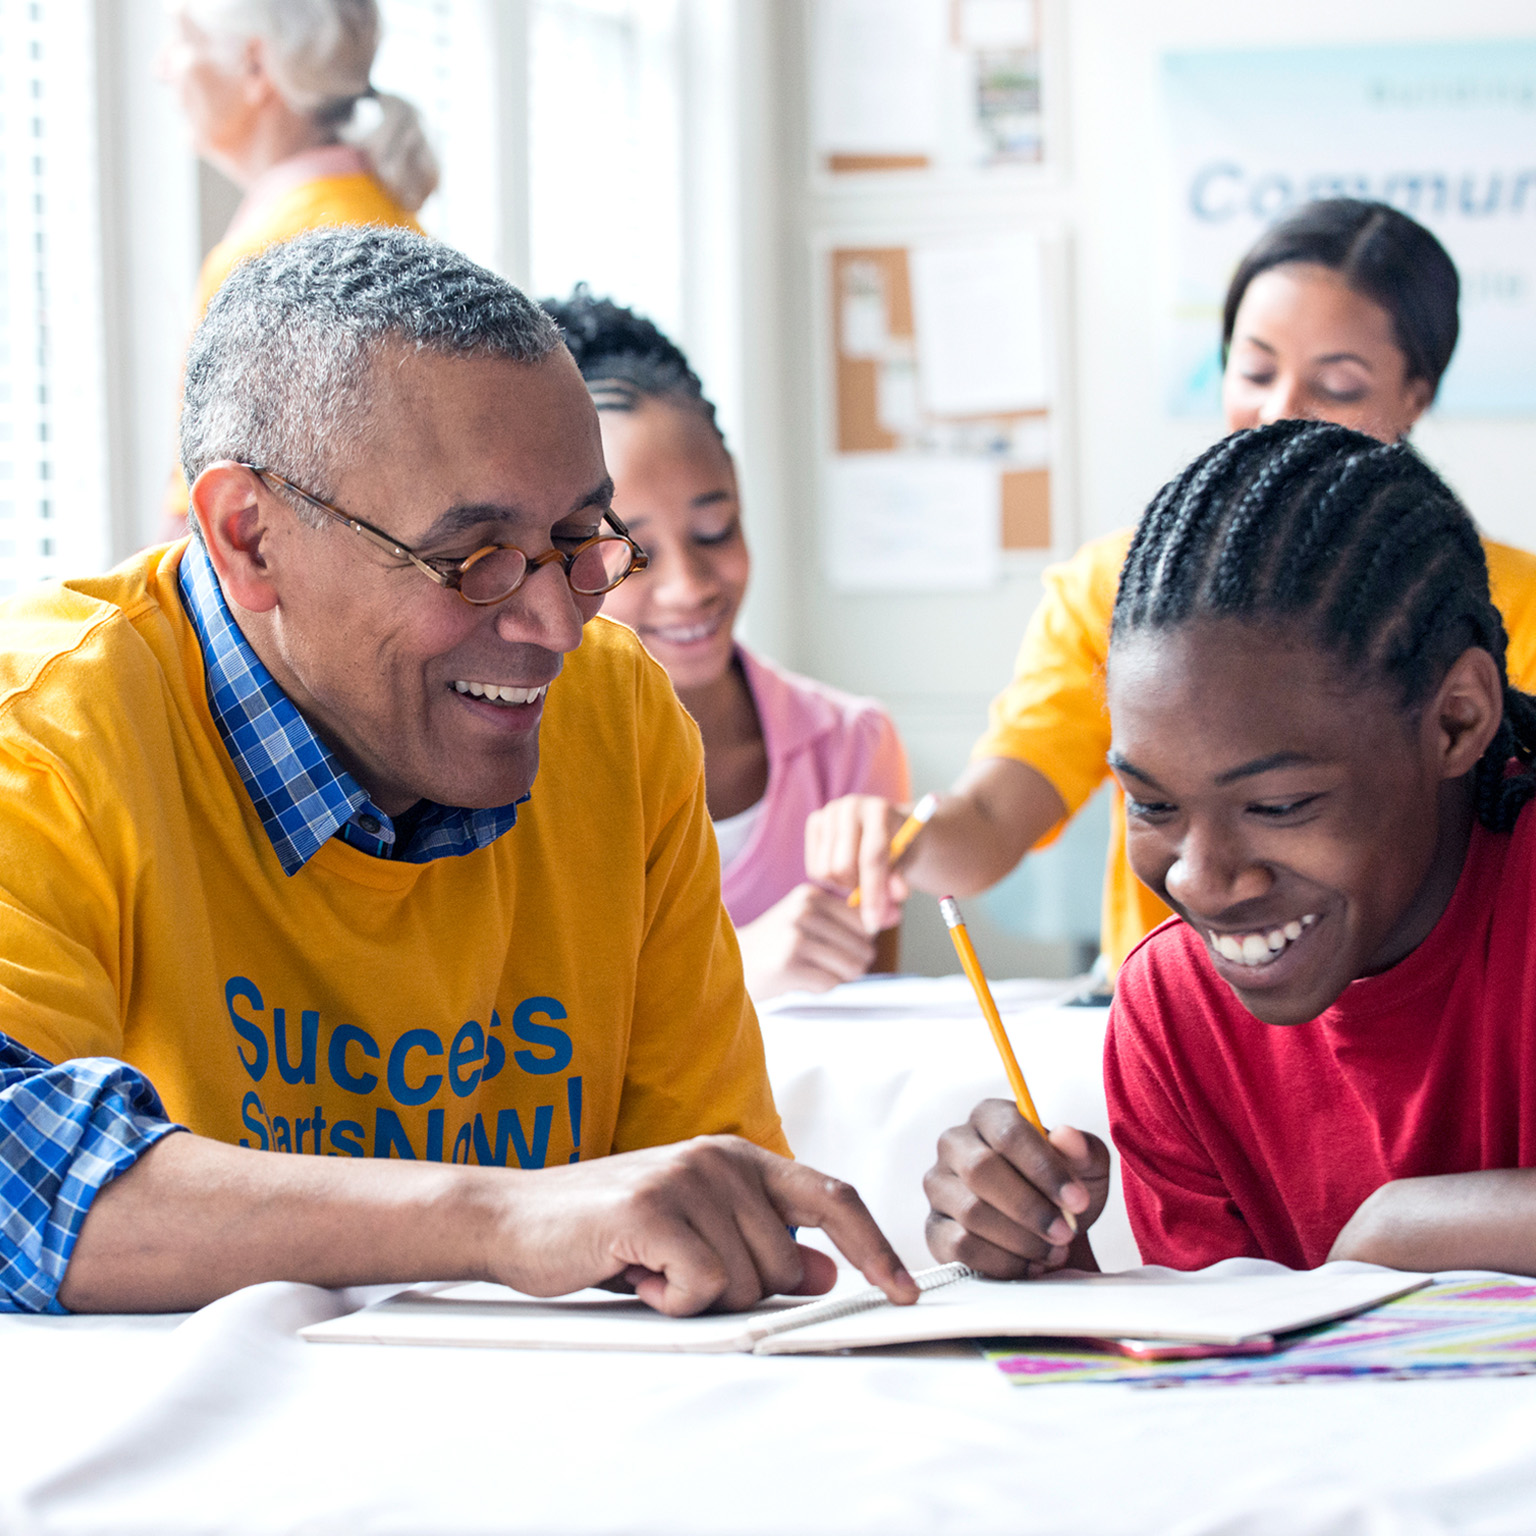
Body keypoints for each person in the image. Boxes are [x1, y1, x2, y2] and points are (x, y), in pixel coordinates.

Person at [0, 227, 917, 1318]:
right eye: (474, 560)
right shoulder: (48, 735)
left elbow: (704, 1193)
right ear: (251, 537)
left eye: (582, 538)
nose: (558, 625)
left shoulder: (618, 718)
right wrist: (498, 1219)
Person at [806, 198, 1536, 983]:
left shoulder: (1504, 606)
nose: (1279, 409)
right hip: (1180, 1035)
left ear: (1415, 396)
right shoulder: (1121, 593)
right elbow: (990, 821)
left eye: (1337, 384)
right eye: (1254, 371)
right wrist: (906, 836)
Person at [926, 419, 1536, 1279]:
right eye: (1152, 804)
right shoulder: (1177, 1014)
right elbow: (1240, 1352)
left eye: (1278, 804)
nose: (1200, 880)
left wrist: (1402, 1237)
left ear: (1456, 722)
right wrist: (1058, 1281)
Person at [541, 289, 911, 999]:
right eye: (637, 552)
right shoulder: (517, 767)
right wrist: (732, 969)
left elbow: (873, 1014)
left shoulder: (850, 745)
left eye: (716, 531)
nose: (689, 586)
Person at [158, 0, 435, 532]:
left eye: (184, 40)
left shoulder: (263, 263)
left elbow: (205, 521)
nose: (163, 68)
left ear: (255, 67)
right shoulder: (390, 215)